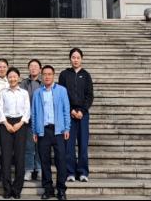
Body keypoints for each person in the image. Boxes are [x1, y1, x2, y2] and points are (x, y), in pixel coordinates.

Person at [32, 65, 71, 201]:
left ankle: (61, 189)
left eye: (49, 74)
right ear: (41, 76)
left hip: (58, 130)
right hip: (43, 131)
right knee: (44, 161)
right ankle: (48, 189)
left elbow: (66, 110)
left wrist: (67, 128)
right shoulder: (37, 93)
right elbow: (34, 113)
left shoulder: (61, 90)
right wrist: (34, 130)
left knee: (61, 160)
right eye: (45, 74)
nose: (47, 76)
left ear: (53, 75)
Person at [58, 47, 94, 183]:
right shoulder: (64, 74)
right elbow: (62, 95)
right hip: (69, 114)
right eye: (73, 57)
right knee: (69, 145)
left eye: (78, 57)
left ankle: (83, 172)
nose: (76, 60)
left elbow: (89, 96)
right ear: (70, 59)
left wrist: (82, 111)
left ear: (81, 59)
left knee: (83, 144)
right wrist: (71, 110)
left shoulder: (86, 75)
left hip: (83, 114)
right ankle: (70, 172)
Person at [0, 67, 30, 200]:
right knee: (5, 156)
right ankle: (7, 188)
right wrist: (6, 124)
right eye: (10, 77)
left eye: (14, 76)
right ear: (7, 78)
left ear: (18, 78)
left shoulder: (24, 93)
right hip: (6, 123)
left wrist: (20, 123)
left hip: (20, 124)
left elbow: (27, 110)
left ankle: (17, 189)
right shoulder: (3, 92)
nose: (12, 79)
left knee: (19, 157)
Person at [22, 59, 42, 181]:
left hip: (41, 120)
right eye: (31, 66)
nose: (33, 68)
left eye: (36, 66)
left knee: (40, 146)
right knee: (29, 146)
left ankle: (39, 169)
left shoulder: (43, 83)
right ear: (28, 68)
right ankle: (28, 169)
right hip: (28, 119)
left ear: (40, 69)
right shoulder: (24, 83)